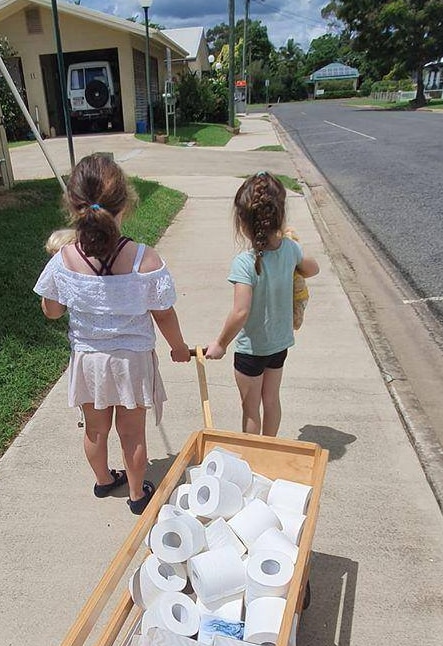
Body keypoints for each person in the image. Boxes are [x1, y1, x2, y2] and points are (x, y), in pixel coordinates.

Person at [33, 154, 191, 515]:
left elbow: (53, 311)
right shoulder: (144, 259)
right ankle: (138, 495)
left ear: (73, 206)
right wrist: (179, 348)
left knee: (95, 430)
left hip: (90, 362)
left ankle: (104, 481)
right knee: (132, 434)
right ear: (126, 204)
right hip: (132, 362)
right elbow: (163, 313)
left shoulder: (64, 259)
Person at [205, 172, 319, 436]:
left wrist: (220, 343)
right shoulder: (290, 249)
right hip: (279, 344)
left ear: (242, 222)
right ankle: (270, 450)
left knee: (250, 408)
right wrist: (295, 253)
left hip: (251, 349)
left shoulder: (244, 263)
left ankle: (254, 459)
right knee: (272, 400)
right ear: (279, 217)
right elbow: (312, 269)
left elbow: (241, 311)